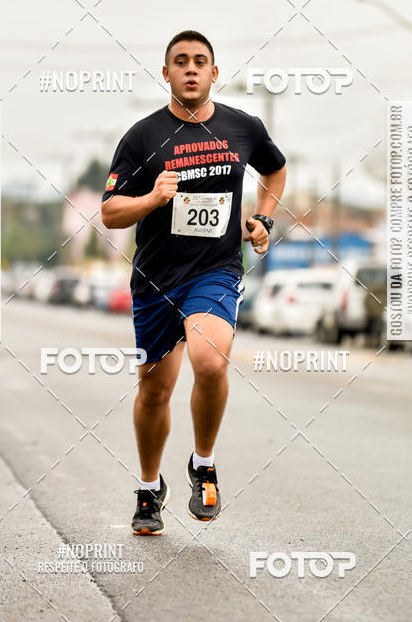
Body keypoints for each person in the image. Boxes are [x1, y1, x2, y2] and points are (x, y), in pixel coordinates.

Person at [101, 30, 287, 535]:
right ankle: (147, 488)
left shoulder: (242, 128)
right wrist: (150, 201)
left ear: (213, 73)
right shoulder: (142, 137)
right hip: (156, 278)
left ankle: (203, 464)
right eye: (179, 62)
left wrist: (264, 220)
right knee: (155, 390)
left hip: (216, 269)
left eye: (199, 62)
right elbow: (110, 213)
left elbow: (275, 171)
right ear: (166, 74)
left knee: (210, 358)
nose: (190, 69)